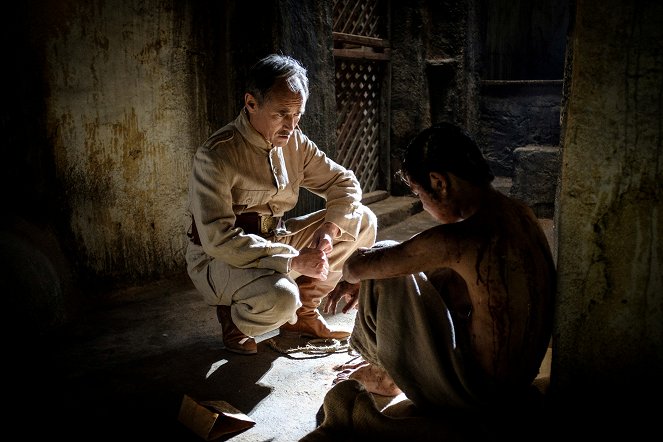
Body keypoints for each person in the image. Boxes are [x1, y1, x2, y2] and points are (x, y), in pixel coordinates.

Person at [323, 122, 556, 415]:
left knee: (381, 259)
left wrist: (355, 277)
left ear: (439, 183)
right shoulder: (521, 214)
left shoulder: (460, 239)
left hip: (476, 393)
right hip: (518, 384)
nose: (423, 206)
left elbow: (356, 267)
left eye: (420, 195)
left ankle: (385, 372)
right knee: (433, 274)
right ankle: (391, 365)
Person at [186, 54, 377, 355]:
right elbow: (217, 239)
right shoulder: (216, 156)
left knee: (362, 221)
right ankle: (236, 321)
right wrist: (292, 260)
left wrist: (329, 230)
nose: (291, 125)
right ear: (251, 103)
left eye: (297, 114)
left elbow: (345, 183)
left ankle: (303, 315)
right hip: (221, 258)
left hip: (276, 238)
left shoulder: (296, 143)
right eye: (281, 114)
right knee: (282, 298)